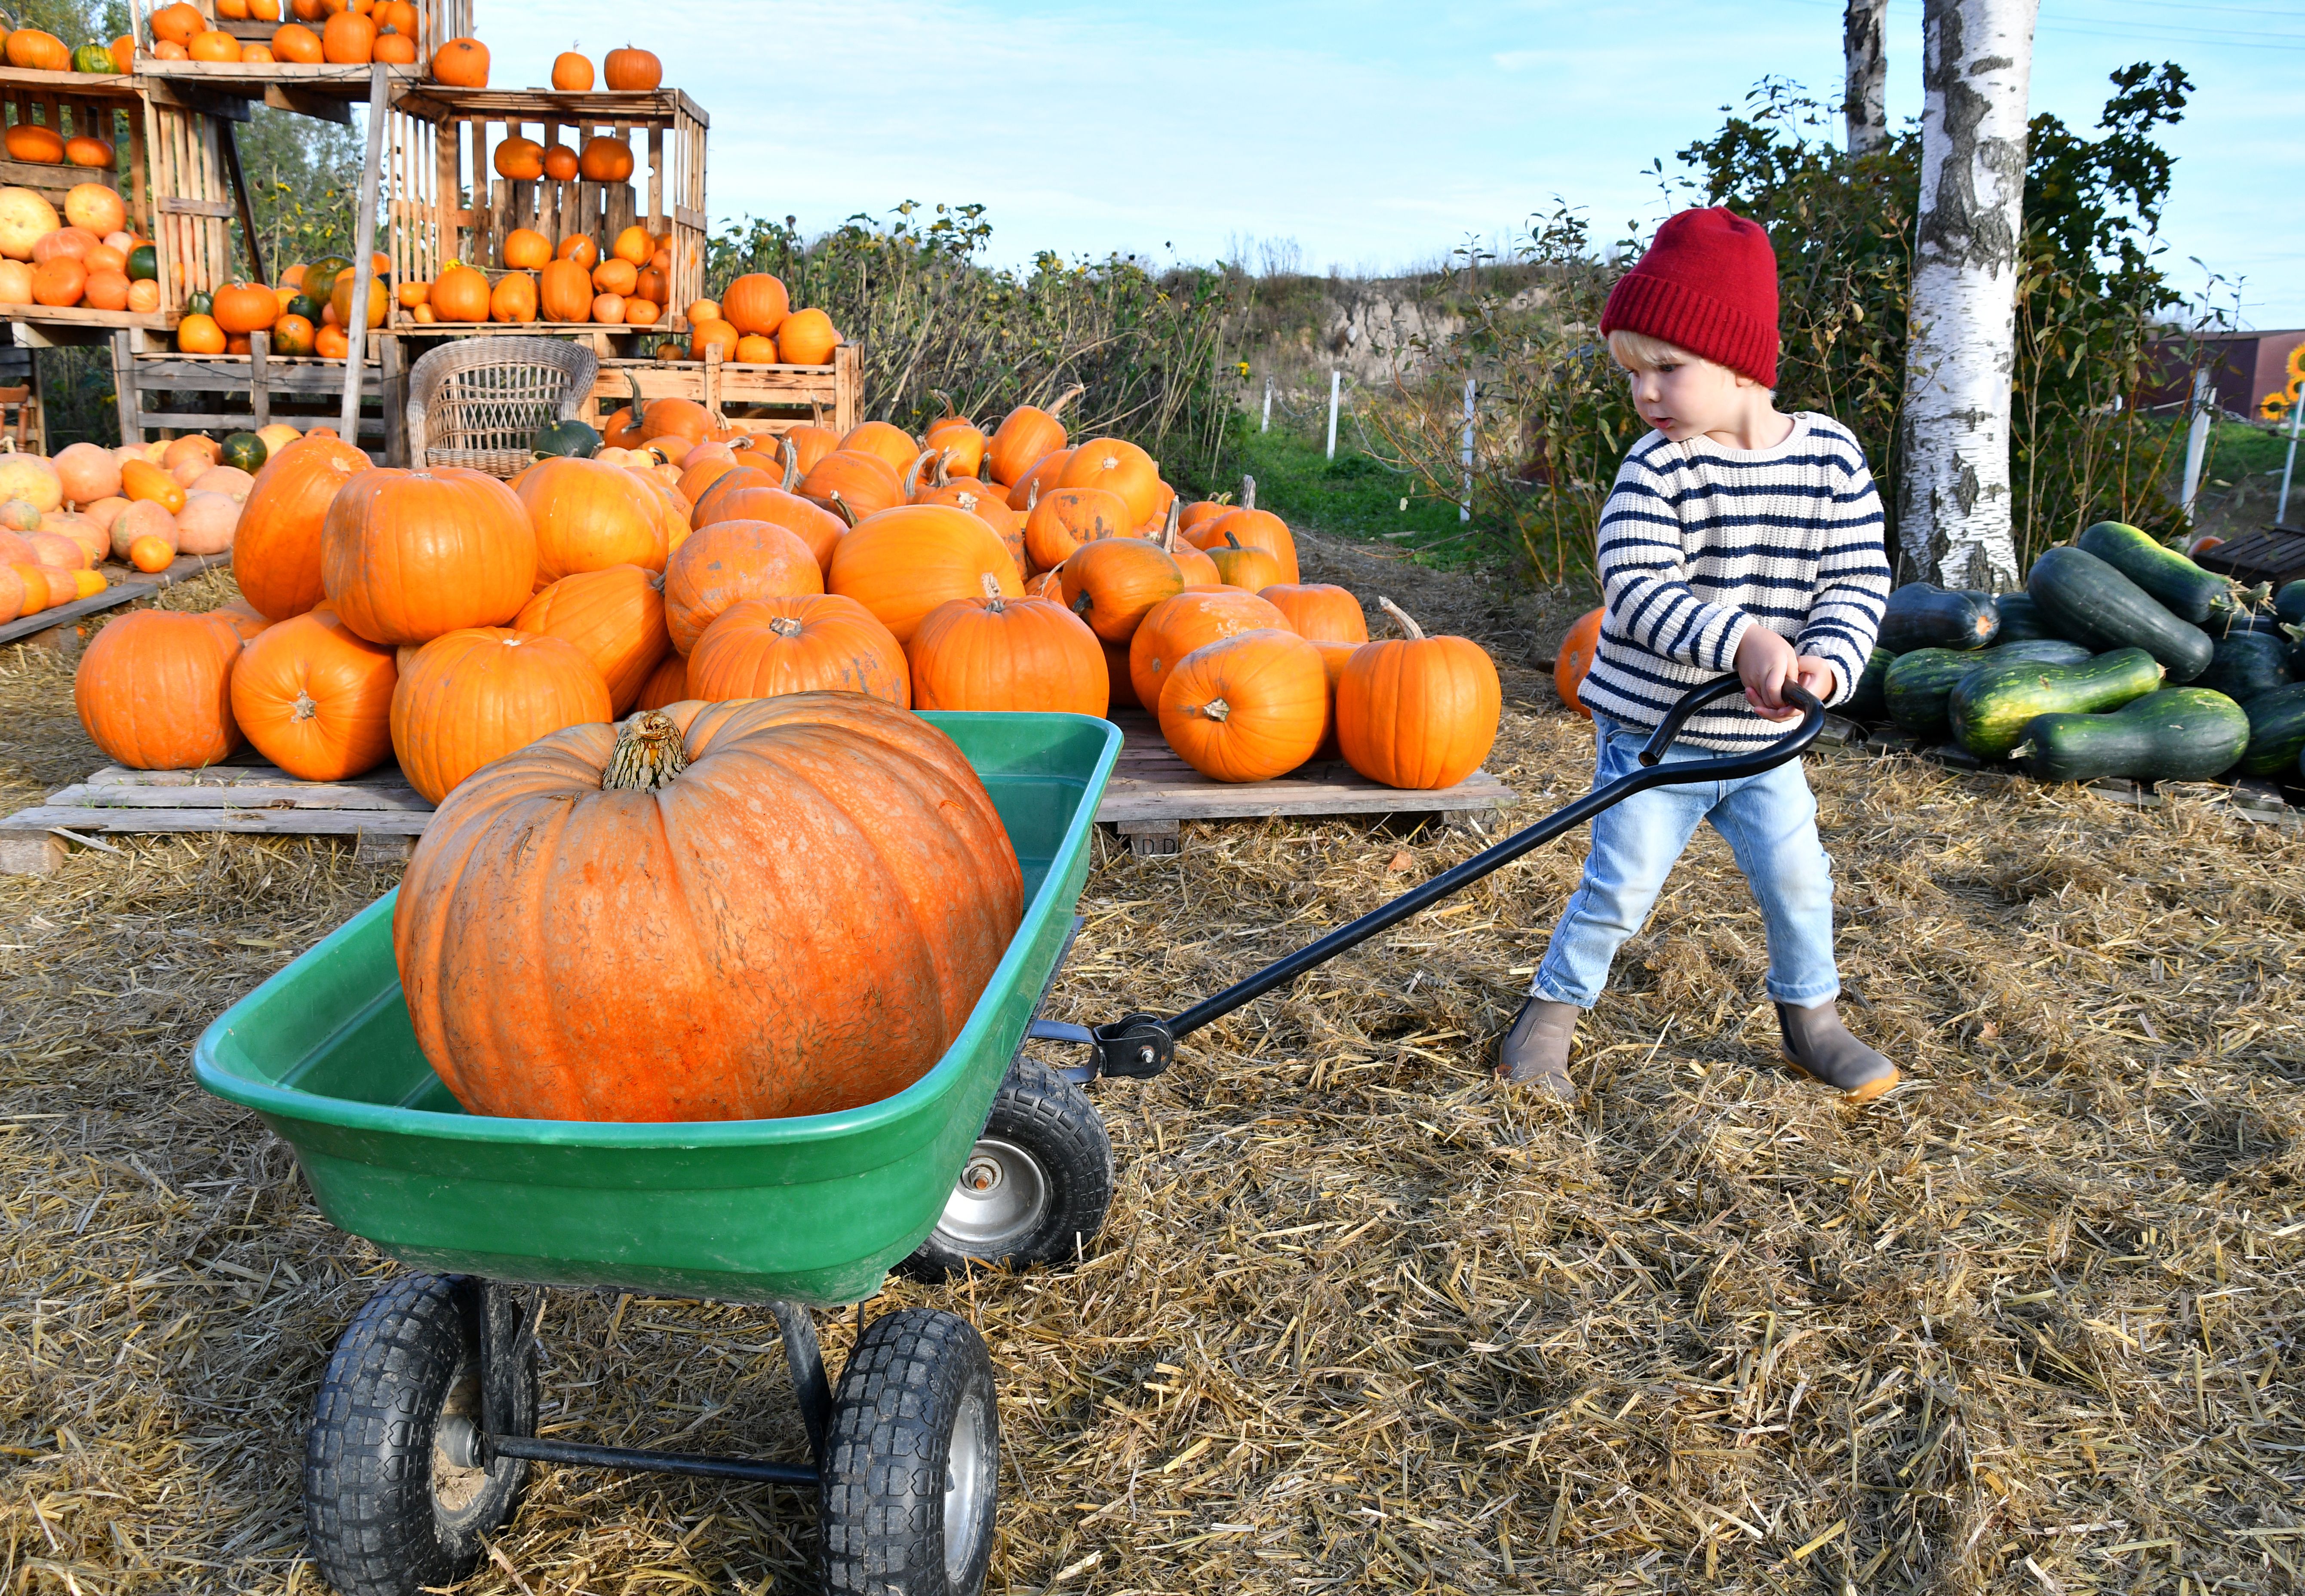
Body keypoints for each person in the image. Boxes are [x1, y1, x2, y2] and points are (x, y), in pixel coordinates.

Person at [1498, 206, 1896, 1103]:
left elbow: (1857, 576)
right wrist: (1742, 640)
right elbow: (1635, 588)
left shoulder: (1830, 459)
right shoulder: (1658, 468)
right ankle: (1547, 1017)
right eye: (1632, 373)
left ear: (1743, 362)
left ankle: (1813, 1023)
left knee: (1800, 881)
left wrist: (1826, 660)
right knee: (1620, 887)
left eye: (1665, 369)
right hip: (1656, 734)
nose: (1644, 394)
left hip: (1764, 745)